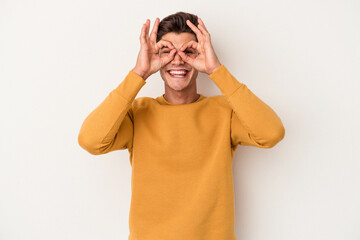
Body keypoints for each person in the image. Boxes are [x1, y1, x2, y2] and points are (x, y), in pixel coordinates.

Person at [78, 11, 285, 240]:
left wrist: (217, 70)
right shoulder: (138, 113)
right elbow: (91, 140)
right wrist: (139, 72)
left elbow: (271, 133)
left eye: (189, 51)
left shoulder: (224, 113)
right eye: (166, 51)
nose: (177, 60)